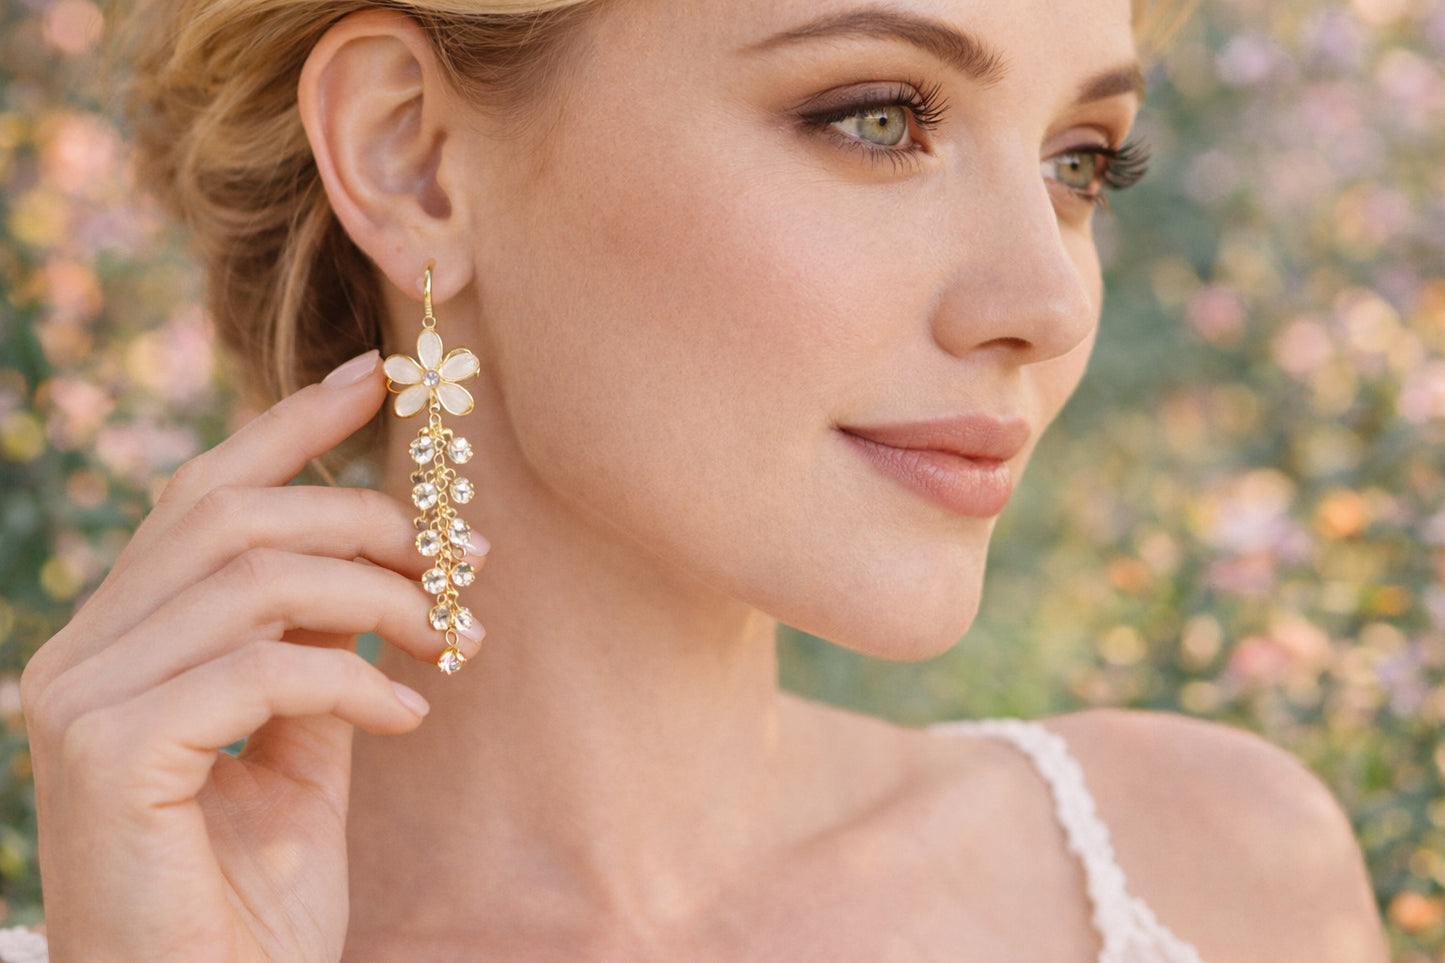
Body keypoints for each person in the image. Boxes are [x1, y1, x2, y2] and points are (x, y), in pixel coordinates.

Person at [14, 0, 1389, 959]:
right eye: (876, 119)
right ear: (412, 154)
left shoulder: (1220, 875)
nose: (1045, 299)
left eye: (1079, 163)